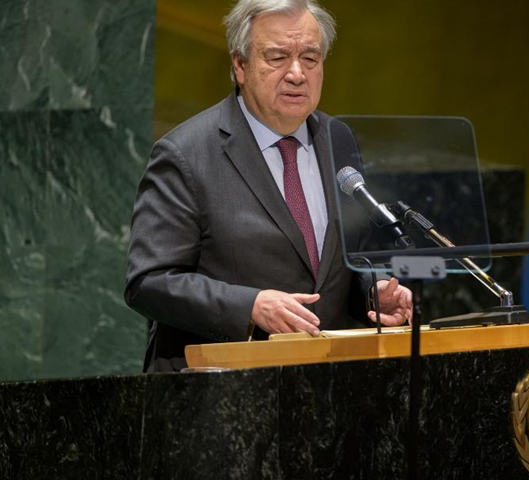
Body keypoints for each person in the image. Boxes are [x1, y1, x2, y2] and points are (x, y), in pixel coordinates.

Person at [125, 0, 413, 372]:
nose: (296, 73)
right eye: (277, 58)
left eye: (310, 59)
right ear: (240, 66)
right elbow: (148, 281)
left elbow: (338, 264)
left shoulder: (337, 139)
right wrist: (250, 306)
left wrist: (373, 294)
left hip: (325, 386)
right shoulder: (186, 154)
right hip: (218, 391)